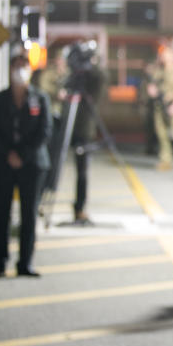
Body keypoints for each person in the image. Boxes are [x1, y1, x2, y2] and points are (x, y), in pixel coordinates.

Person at [0, 54, 52, 278]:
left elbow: (45, 131)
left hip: (32, 164)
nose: (20, 71)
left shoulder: (40, 98)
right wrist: (9, 153)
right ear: (9, 69)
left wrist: (23, 154)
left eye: (24, 67)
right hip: (2, 162)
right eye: (16, 66)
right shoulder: (0, 99)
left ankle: (25, 263)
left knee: (28, 214)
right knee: (1, 213)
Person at [61, 42, 105, 224]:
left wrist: (90, 67)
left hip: (83, 128)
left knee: (82, 171)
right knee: (53, 165)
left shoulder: (94, 77)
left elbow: (101, 80)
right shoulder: (72, 77)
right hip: (65, 126)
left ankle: (80, 208)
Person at [147, 45, 173, 171]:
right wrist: (152, 91)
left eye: (167, 54)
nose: (165, 57)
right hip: (159, 106)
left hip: (172, 105)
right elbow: (152, 86)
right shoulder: (158, 71)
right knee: (162, 134)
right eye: (163, 55)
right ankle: (166, 160)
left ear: (172, 56)